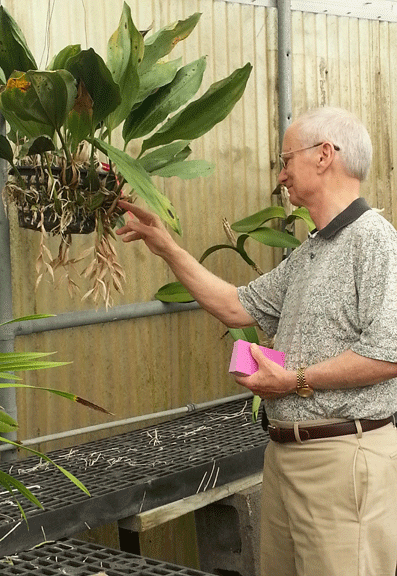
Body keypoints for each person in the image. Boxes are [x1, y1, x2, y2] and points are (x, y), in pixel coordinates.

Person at [116, 107, 397, 576]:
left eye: (286, 160)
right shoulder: (312, 250)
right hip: (286, 455)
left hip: (343, 459)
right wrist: (166, 247)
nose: (281, 175)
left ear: (325, 155)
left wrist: (295, 380)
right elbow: (236, 305)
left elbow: (389, 353)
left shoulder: (375, 241)